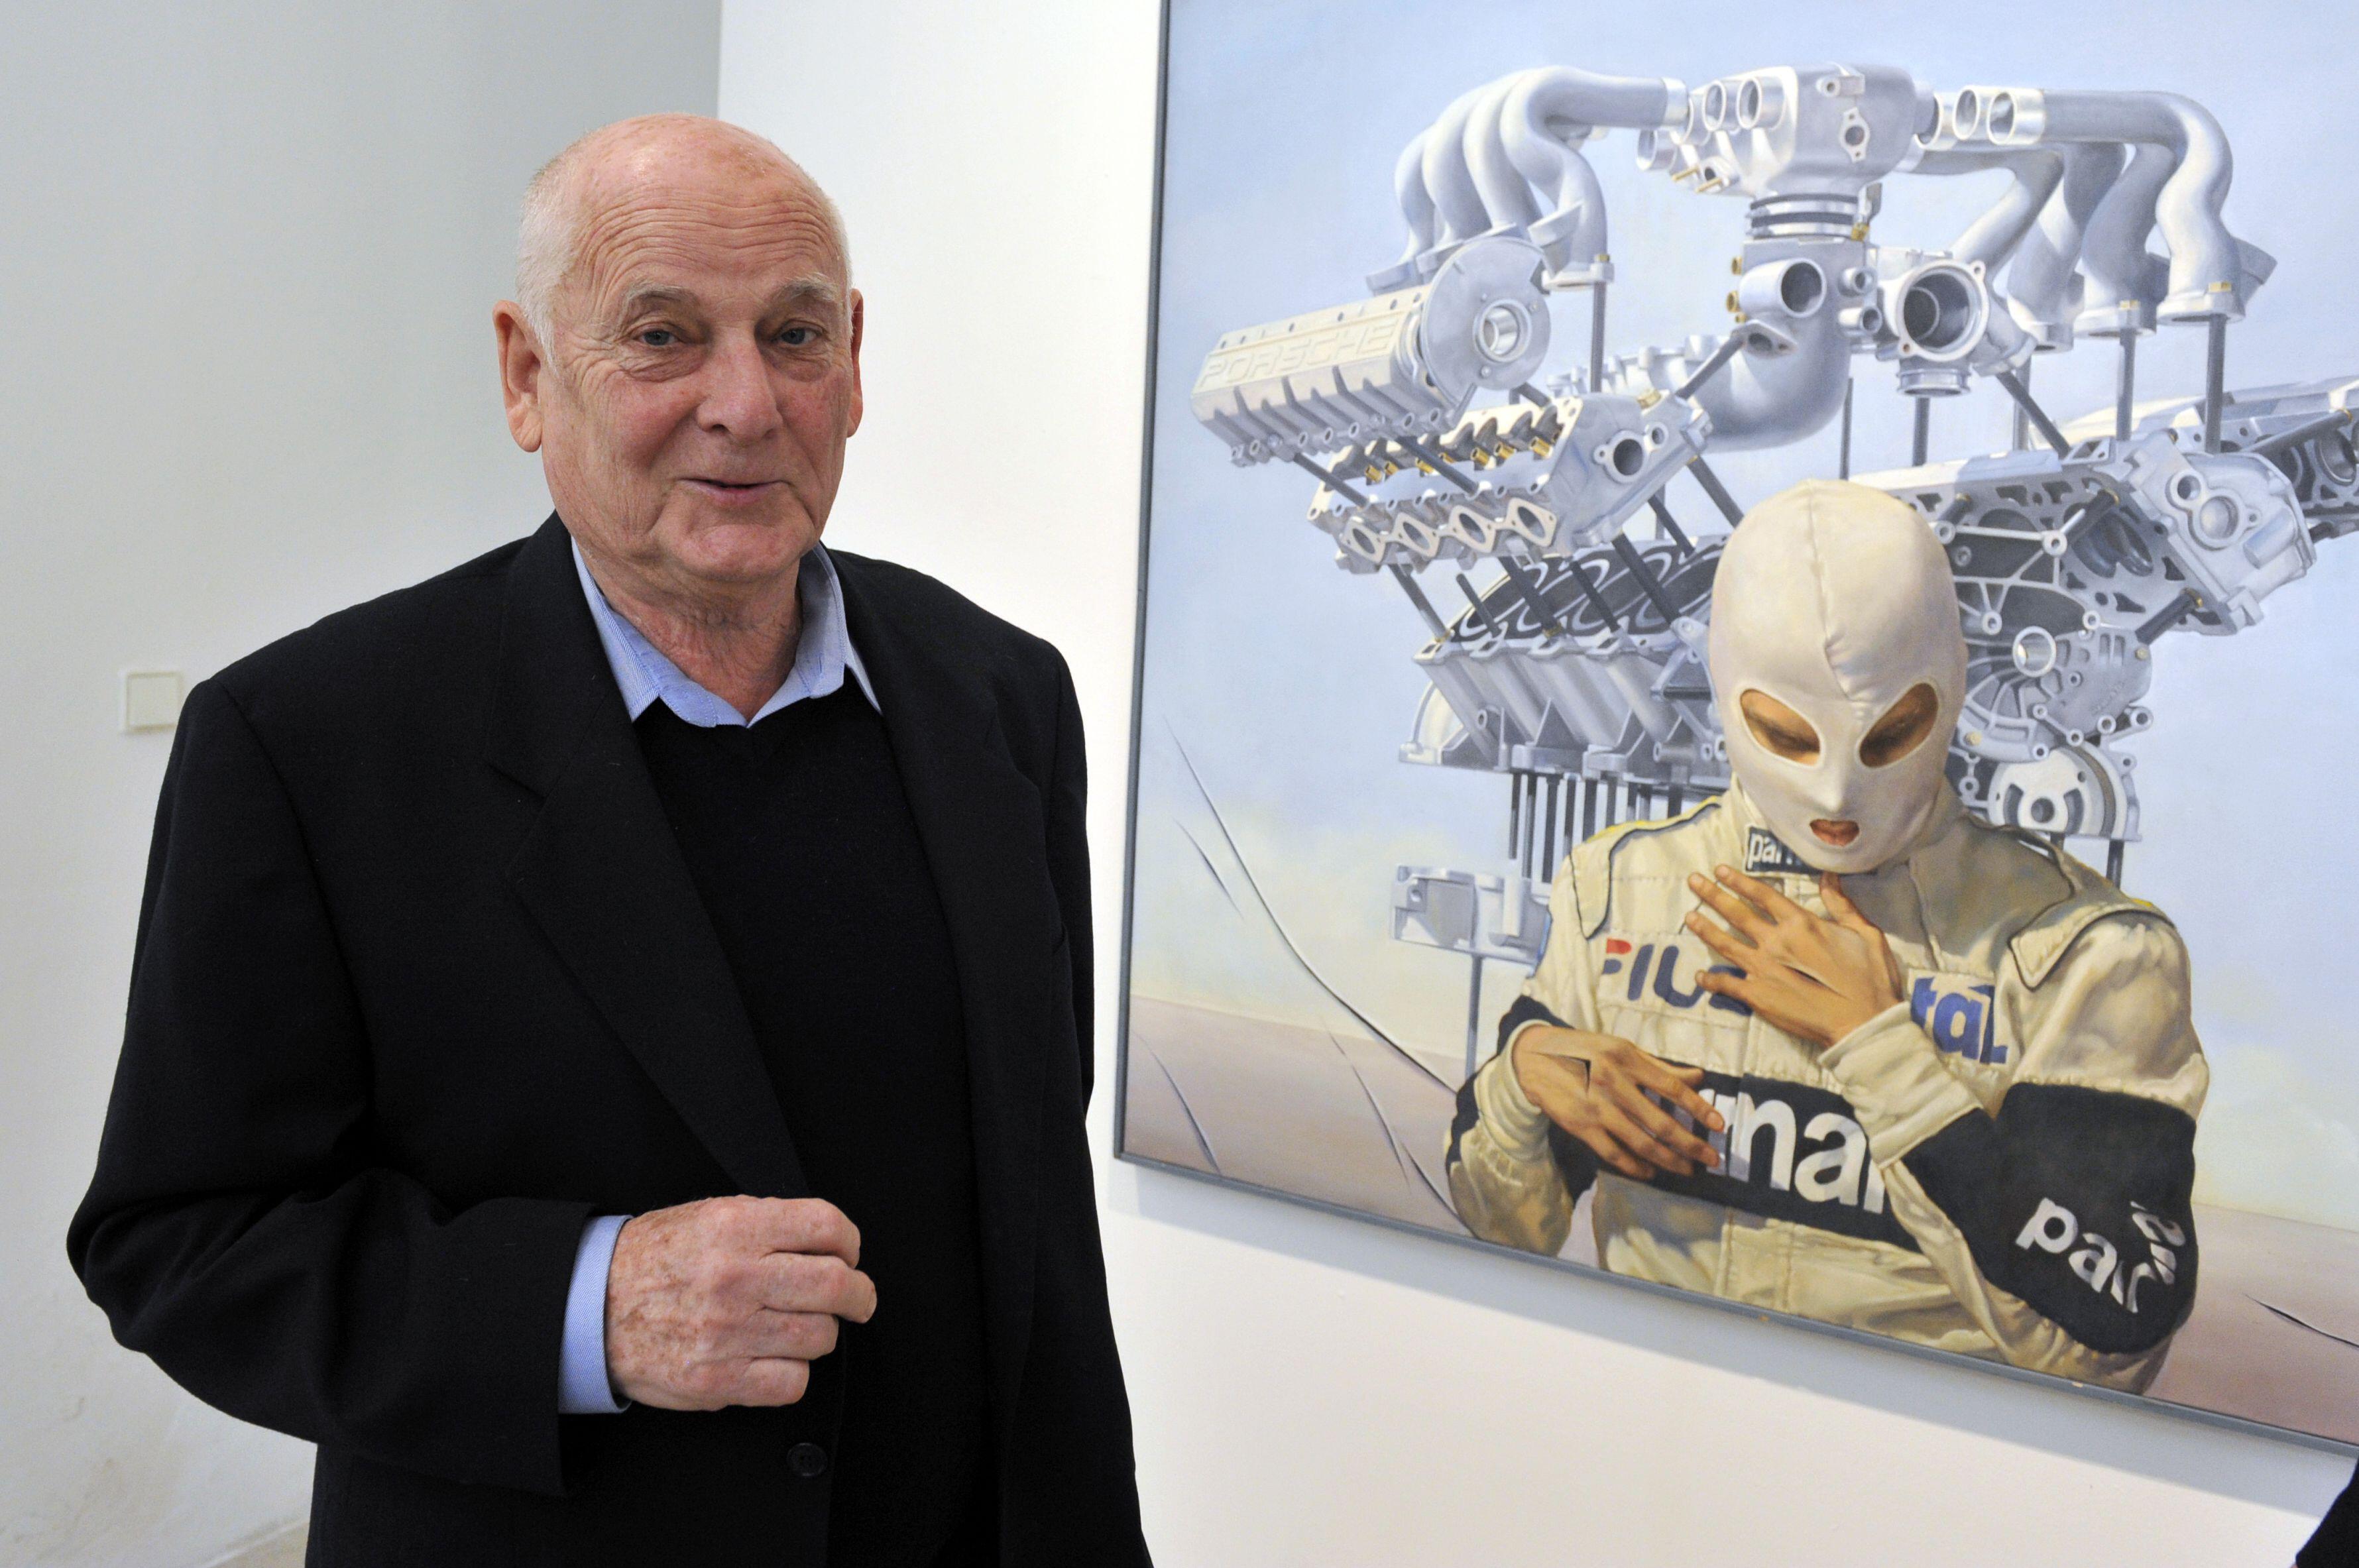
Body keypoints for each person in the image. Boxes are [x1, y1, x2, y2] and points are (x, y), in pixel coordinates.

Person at [67, 115, 1149, 1566]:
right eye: (662, 336)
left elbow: (1034, 1179)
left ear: (854, 360)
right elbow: (182, 1243)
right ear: (528, 375)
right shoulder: (309, 744)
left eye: (793, 335)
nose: (745, 403)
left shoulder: (1002, 695)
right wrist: (590, 1305)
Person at [1444, 478, 2208, 1392]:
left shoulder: (2089, 956)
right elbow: (1501, 1226)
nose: (1838, 792)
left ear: (1952, 690)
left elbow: (2110, 1344)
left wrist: (1880, 1046)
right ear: (1727, 695)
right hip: (1655, 1427)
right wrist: (1523, 1080)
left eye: (1890, 735)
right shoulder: (1621, 889)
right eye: (1787, 736)